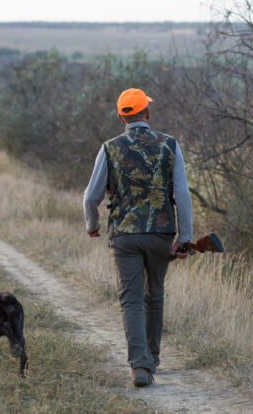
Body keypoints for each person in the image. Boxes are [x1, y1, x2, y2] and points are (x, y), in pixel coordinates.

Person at [83, 88, 193, 387]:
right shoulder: (170, 144)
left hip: (125, 235)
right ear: (148, 113)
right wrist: (185, 238)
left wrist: (92, 224)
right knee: (154, 295)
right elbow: (182, 194)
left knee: (131, 300)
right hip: (161, 233)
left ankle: (140, 367)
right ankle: (152, 359)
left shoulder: (110, 148)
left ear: (122, 117)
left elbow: (91, 196)